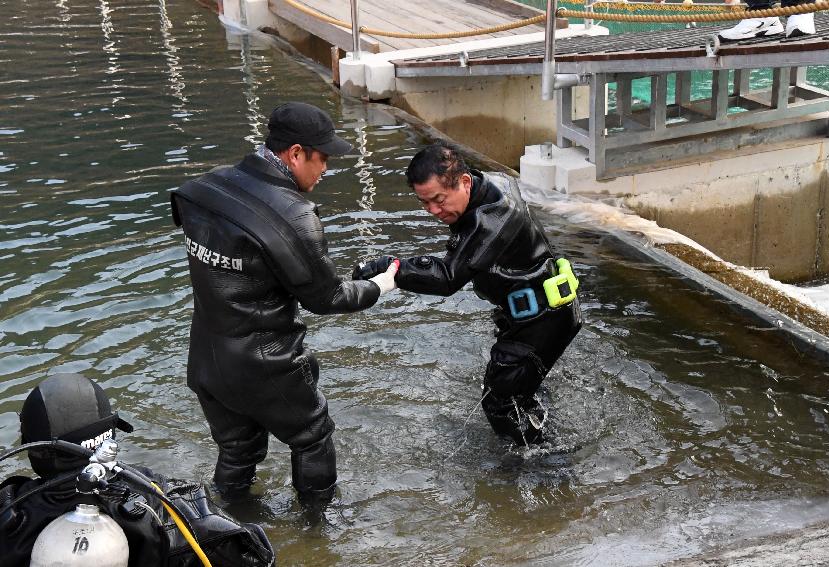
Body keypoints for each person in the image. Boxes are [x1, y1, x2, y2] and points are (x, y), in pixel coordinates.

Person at [170, 101, 398, 510]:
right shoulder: (294, 213)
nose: (326, 169)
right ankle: (317, 534)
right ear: (295, 154)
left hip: (206, 359)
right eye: (322, 157)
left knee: (238, 450)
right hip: (265, 364)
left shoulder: (204, 190)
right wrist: (381, 285)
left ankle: (227, 527)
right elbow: (327, 298)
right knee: (313, 437)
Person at [353, 142, 583, 446]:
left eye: (438, 200)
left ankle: (546, 469)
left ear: (463, 183)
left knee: (500, 403)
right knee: (520, 392)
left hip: (542, 320)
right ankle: (541, 434)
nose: (434, 211)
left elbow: (448, 278)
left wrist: (392, 267)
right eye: (425, 203)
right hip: (539, 310)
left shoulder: (492, 220)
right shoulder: (486, 185)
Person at [0, 373, 276, 566]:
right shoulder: (167, 502)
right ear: (109, 433)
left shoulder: (9, 512)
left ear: (32, 446)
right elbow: (254, 555)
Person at [717, 0, 815, 41]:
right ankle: (762, 13)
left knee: (799, 5)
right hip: (758, 12)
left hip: (802, 8)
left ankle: (801, 9)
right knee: (760, 6)